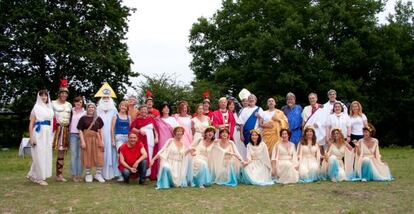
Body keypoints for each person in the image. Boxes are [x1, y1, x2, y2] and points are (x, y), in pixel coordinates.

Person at [26, 90, 54, 186]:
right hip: (38, 133)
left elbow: (51, 122)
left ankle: (31, 174)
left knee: (45, 154)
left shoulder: (49, 108)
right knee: (39, 154)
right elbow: (31, 123)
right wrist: (31, 137)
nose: (43, 97)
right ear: (39, 97)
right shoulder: (36, 108)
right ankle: (39, 178)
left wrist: (52, 135)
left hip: (47, 133)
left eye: (45, 95)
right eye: (41, 95)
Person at [95, 83, 119, 180]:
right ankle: (99, 173)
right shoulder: (97, 109)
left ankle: (110, 173)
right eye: (104, 97)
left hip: (110, 134)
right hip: (100, 134)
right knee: (100, 152)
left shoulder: (114, 110)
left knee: (110, 153)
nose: (105, 99)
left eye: (107, 97)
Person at [77, 103, 105, 183]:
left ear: (95, 108)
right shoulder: (83, 118)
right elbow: (80, 131)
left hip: (97, 139)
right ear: (87, 108)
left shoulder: (98, 118)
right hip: (87, 139)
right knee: (87, 155)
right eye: (89, 107)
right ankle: (88, 174)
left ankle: (98, 174)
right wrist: (82, 141)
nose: (91, 109)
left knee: (99, 156)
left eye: (93, 107)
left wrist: (102, 141)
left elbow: (100, 130)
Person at [130, 105, 159, 180]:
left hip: (150, 139)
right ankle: (141, 173)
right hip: (141, 139)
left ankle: (148, 174)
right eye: (142, 110)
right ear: (140, 111)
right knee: (141, 155)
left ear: (147, 111)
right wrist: (139, 131)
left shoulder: (151, 119)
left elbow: (155, 129)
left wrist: (156, 137)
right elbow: (132, 128)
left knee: (150, 154)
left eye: (145, 110)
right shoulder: (137, 120)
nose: (144, 111)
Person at [52, 79, 72, 182]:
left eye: (65, 93)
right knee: (46, 151)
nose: (64, 95)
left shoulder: (69, 105)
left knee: (61, 152)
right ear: (59, 94)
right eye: (62, 93)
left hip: (65, 130)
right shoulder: (52, 103)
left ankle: (59, 174)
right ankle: (39, 173)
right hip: (55, 130)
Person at [111, 100, 131, 181]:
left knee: (127, 156)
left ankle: (127, 174)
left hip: (127, 138)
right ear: (119, 106)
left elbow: (130, 129)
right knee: (120, 156)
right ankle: (120, 175)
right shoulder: (115, 116)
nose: (123, 107)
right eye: (122, 105)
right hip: (118, 137)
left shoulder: (128, 117)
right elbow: (112, 129)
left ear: (127, 108)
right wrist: (113, 140)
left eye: (125, 106)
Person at [69, 96, 86, 182]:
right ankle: (74, 174)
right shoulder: (71, 111)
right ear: (74, 103)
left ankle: (80, 174)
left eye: (80, 102)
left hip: (82, 135)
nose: (78, 104)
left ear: (82, 103)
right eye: (76, 102)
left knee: (80, 156)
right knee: (74, 155)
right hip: (73, 135)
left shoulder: (85, 112)